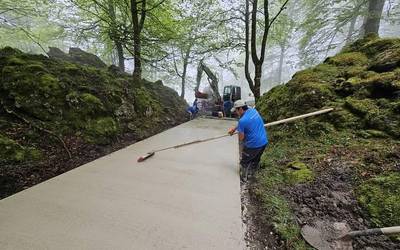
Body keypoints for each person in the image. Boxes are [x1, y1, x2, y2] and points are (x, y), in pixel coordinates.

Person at [228, 100, 268, 181]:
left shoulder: (242, 121)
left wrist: (240, 131)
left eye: (236, 110)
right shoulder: (253, 111)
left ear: (241, 109)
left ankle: (244, 177)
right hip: (263, 142)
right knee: (255, 159)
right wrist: (235, 129)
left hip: (253, 145)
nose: (235, 112)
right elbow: (243, 123)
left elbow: (241, 138)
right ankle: (252, 174)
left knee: (244, 162)